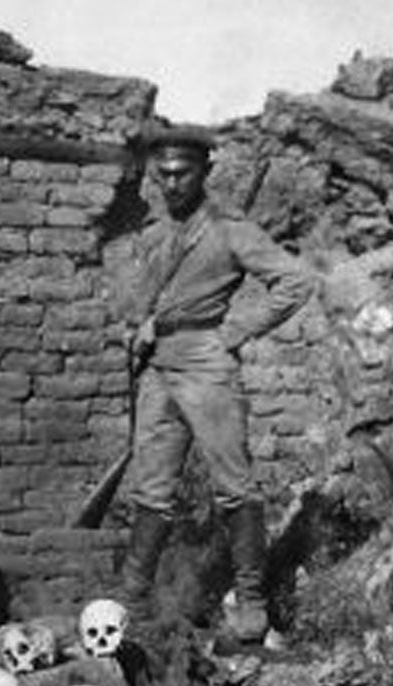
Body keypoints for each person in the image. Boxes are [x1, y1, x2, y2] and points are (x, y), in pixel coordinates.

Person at [120, 127, 318, 643]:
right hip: (160, 365)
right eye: (161, 174)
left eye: (182, 172)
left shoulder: (230, 230)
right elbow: (146, 301)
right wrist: (141, 327)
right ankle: (132, 601)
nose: (171, 183)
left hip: (207, 367)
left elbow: (295, 282)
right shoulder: (157, 232)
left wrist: (232, 334)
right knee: (152, 489)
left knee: (234, 486)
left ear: (204, 171)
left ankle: (252, 602)